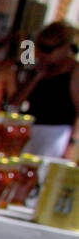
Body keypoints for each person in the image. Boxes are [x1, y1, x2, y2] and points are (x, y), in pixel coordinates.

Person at [15, 22, 79, 160]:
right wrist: (36, 77)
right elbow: (15, 102)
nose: (43, 54)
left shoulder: (74, 71)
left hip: (55, 133)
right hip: (30, 128)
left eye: (48, 49)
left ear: (64, 48)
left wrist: (71, 143)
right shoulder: (38, 68)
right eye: (40, 48)